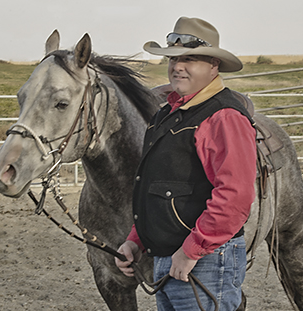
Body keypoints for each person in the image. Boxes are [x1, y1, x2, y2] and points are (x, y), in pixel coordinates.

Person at [115, 16, 257, 311]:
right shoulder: (166, 114)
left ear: (213, 66)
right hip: (173, 258)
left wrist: (192, 251)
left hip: (202, 261)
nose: (178, 66)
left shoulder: (224, 117)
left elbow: (235, 197)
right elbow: (157, 186)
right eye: (173, 58)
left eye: (189, 59)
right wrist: (136, 241)